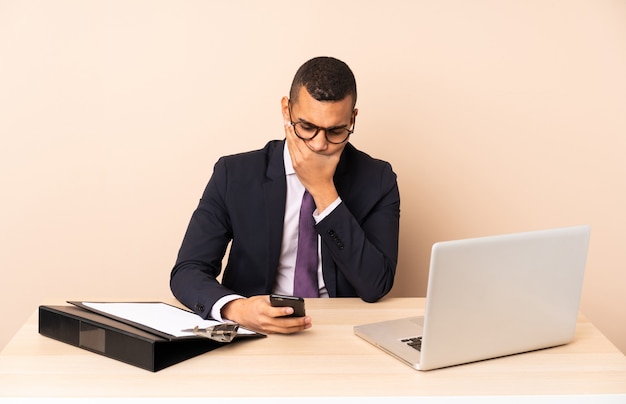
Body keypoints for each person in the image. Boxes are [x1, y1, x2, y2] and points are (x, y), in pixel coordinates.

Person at [170, 56, 400, 335]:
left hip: (339, 330)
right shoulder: (234, 174)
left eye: (336, 131)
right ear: (286, 110)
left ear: (352, 119)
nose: (319, 144)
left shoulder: (377, 180)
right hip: (254, 329)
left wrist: (323, 190)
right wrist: (238, 309)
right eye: (307, 127)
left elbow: (376, 284)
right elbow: (188, 271)